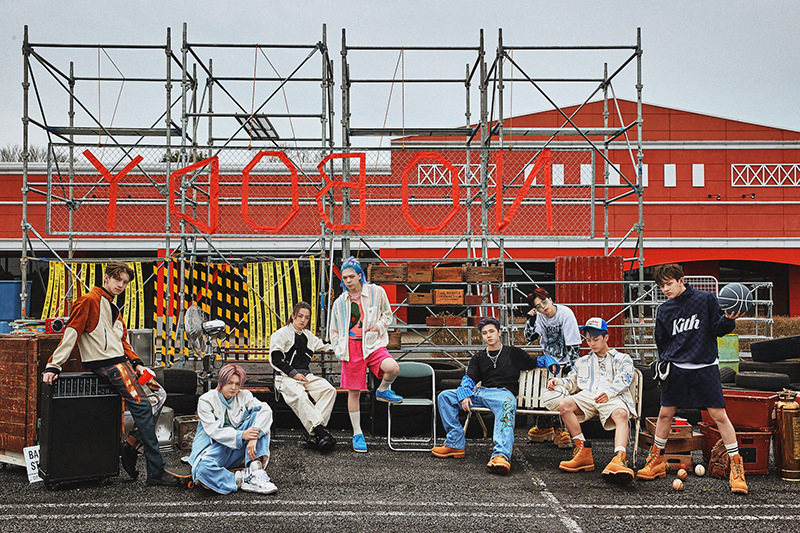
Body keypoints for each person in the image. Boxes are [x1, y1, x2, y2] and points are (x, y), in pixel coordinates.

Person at [42, 262, 179, 487]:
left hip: (120, 363)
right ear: (106, 278)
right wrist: (54, 365)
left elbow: (121, 340)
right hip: (108, 364)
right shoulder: (89, 300)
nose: (121, 285)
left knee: (159, 396)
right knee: (143, 405)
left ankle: (131, 445)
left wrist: (137, 363)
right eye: (118, 280)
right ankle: (156, 470)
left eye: (125, 282)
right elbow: (72, 332)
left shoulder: (112, 305)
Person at [637, 263, 748, 494]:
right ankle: (656, 460)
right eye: (661, 286)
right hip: (677, 369)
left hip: (705, 367)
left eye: (668, 284)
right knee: (664, 414)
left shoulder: (705, 299)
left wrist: (729, 319)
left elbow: (718, 328)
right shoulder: (665, 310)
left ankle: (737, 468)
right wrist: (665, 361)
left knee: (719, 415)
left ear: (681, 280)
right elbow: (662, 341)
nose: (665, 289)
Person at [432, 317, 539, 475]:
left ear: (499, 332)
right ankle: (454, 443)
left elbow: (533, 362)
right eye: (484, 333)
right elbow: (469, 378)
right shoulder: (479, 357)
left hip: (503, 394)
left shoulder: (513, 352)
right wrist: (464, 394)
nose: (488, 335)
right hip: (482, 392)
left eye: (491, 331)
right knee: (445, 396)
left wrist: (552, 362)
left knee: (507, 405)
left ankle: (501, 456)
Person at [328, 256, 403, 453]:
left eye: (351, 276)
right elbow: (333, 330)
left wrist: (378, 326)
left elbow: (388, 315)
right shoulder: (340, 302)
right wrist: (339, 349)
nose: (348, 281)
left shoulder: (377, 292)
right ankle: (357, 433)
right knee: (354, 391)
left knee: (393, 368)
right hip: (351, 348)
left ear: (360, 275)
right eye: (344, 277)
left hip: (372, 344)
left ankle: (382, 389)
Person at [550, 317, 636, 485]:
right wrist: (557, 382)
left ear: (606, 337)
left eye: (595, 339)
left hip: (613, 396)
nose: (591, 343)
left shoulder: (622, 358)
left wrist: (609, 393)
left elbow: (625, 378)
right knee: (564, 404)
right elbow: (572, 381)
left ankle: (620, 458)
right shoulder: (582, 361)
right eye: (588, 340)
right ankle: (582, 451)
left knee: (621, 414)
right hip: (588, 396)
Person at [188, 364, 277, 494]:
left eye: (237, 384)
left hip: (237, 447)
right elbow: (214, 431)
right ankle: (243, 479)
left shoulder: (244, 395)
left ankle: (256, 470)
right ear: (221, 381)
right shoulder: (206, 400)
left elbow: (266, 410)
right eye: (230, 383)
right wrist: (242, 435)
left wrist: (254, 437)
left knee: (260, 418)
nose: (234, 387)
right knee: (202, 470)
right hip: (215, 448)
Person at [270, 301, 337, 454]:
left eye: (306, 318)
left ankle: (312, 433)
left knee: (329, 390)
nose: (303, 320)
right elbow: (276, 359)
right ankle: (320, 433)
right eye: (300, 316)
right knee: (300, 396)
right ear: (293, 315)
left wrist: (343, 347)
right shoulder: (281, 334)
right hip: (285, 377)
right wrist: (293, 374)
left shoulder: (308, 335)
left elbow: (324, 346)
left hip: (305, 375)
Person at [525, 287, 582, 448]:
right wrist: (530, 321)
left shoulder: (565, 314)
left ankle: (561, 429)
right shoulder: (540, 317)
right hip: (549, 361)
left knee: (561, 395)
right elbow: (530, 337)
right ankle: (544, 427)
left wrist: (571, 368)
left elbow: (574, 345)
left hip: (565, 361)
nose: (543, 307)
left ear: (550, 299)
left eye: (544, 302)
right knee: (543, 392)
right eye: (538, 306)